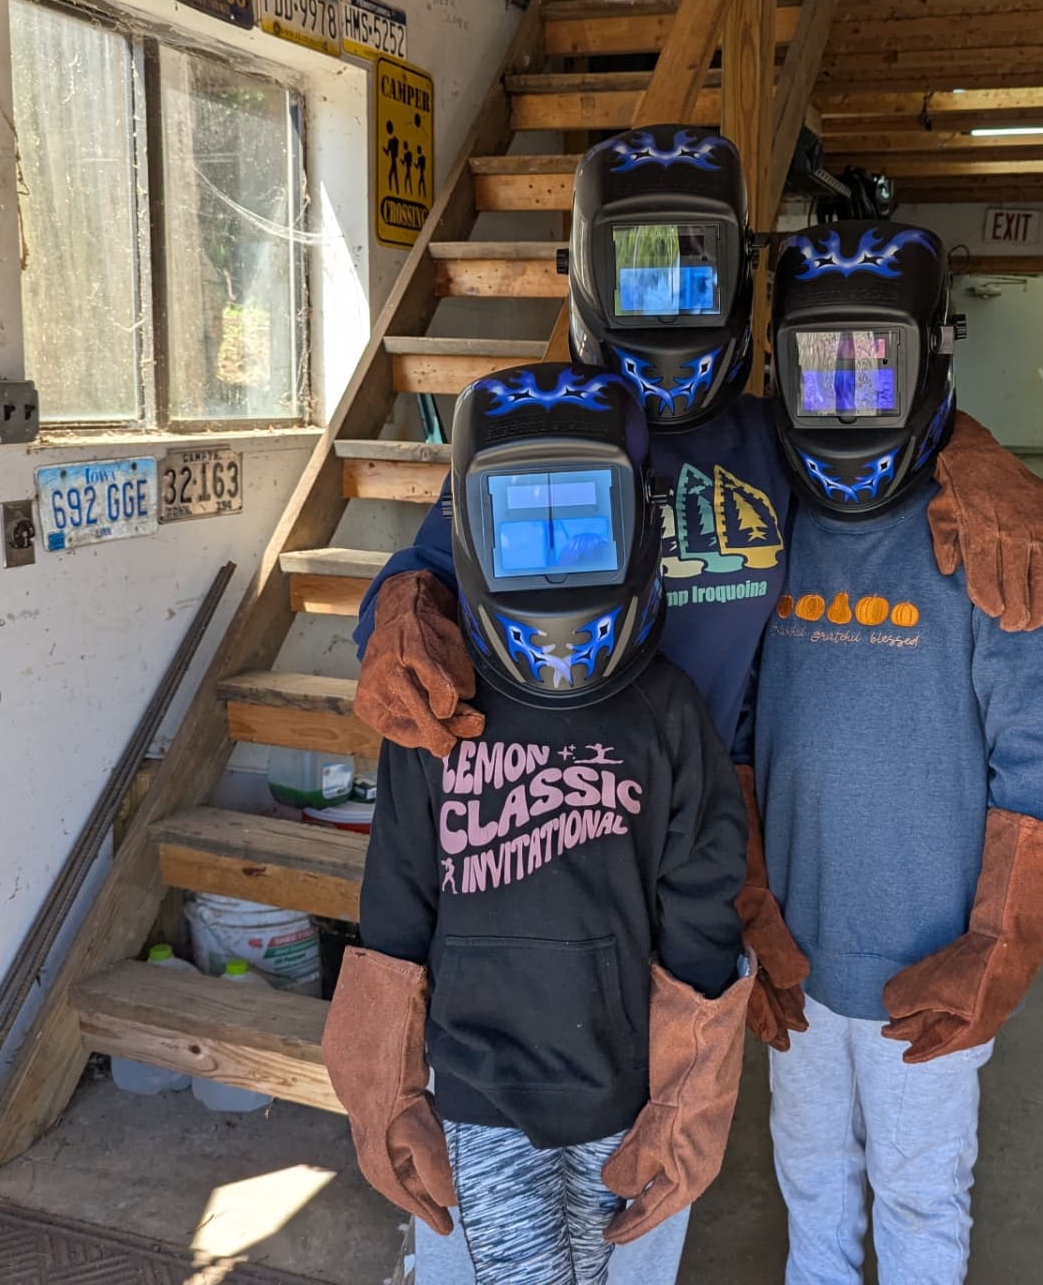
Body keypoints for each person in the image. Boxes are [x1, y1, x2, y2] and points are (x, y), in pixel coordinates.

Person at [352, 125, 1043, 1285]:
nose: (670, 308)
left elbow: (876, 406)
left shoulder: (771, 440)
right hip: (535, 849)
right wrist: (397, 607)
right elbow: (441, 566)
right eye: (640, 270)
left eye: (693, 269)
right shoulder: (556, 429)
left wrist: (977, 452)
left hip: (693, 854)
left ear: (741, 278)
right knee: (490, 1221)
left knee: (650, 1190)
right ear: (586, 272)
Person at [322, 363, 752, 1285]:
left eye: (583, 519)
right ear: (468, 531)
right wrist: (386, 1087)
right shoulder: (435, 706)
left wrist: (690, 1098)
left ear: (638, 520)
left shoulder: (668, 713)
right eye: (522, 521)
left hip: (624, 1095)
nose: (554, 553)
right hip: (471, 1097)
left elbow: (702, 913)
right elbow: (395, 898)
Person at [756, 219, 1043, 1285]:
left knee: (919, 1192)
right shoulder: (759, 522)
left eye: (876, 364)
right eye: (821, 367)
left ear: (932, 353)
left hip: (930, 965)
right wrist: (748, 901)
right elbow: (733, 728)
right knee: (810, 1180)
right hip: (796, 952)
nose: (848, 398)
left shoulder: (990, 539)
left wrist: (996, 942)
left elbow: (1038, 758)